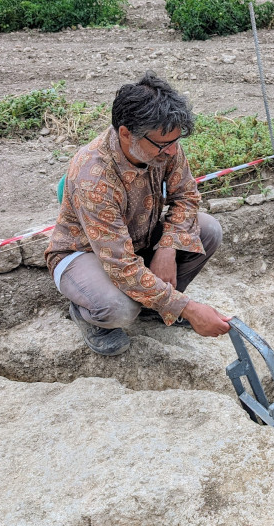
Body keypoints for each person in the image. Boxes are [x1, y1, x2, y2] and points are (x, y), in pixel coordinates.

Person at [45, 71, 231, 355]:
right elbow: (121, 265)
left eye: (175, 142)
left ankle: (154, 306)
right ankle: (88, 312)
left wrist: (167, 249)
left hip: (136, 243)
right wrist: (189, 309)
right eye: (162, 144)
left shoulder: (163, 144)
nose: (170, 152)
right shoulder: (93, 175)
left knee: (208, 230)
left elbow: (187, 197)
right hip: (84, 254)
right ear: (125, 133)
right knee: (118, 308)